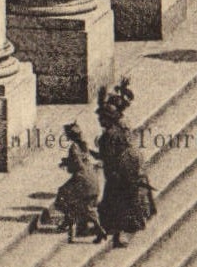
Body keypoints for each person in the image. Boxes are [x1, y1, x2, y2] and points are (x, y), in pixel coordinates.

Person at [96, 78, 156, 249]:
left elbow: (107, 155)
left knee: (120, 197)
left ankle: (121, 231)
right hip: (129, 163)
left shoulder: (111, 134)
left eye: (102, 118)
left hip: (122, 168)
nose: (100, 121)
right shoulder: (121, 126)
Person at [51, 122, 104, 243]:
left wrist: (66, 164)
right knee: (86, 207)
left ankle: (69, 221)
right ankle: (99, 230)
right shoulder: (84, 145)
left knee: (62, 196)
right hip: (92, 178)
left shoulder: (74, 147)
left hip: (82, 179)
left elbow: (77, 165)